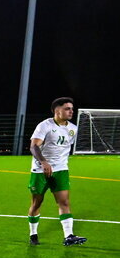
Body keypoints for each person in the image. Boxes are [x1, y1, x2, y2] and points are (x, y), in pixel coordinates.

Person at [27, 97, 86, 246]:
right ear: (57, 110)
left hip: (60, 170)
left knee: (64, 202)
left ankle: (69, 236)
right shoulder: (44, 125)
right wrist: (44, 162)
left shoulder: (73, 129)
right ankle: (33, 234)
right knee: (37, 203)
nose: (71, 111)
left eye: (72, 108)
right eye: (67, 108)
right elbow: (34, 146)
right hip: (40, 171)